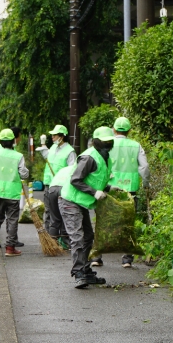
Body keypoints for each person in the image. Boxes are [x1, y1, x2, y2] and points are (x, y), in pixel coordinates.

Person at [53, 127, 124, 288]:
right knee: (77, 237)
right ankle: (78, 273)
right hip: (70, 200)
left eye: (109, 141)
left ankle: (85, 270)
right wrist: (94, 192)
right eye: (104, 141)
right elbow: (75, 180)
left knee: (88, 236)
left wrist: (108, 188)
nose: (107, 143)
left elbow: (96, 179)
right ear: (96, 142)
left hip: (82, 202)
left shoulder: (105, 158)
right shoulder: (89, 157)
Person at [90, 116, 149, 269]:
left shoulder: (108, 143)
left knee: (102, 220)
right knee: (128, 222)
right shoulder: (136, 146)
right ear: (129, 130)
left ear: (113, 129)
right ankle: (127, 259)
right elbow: (144, 167)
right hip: (129, 189)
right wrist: (146, 184)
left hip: (108, 188)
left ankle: (96, 256)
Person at [0, 128, 29, 257]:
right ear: (13, 141)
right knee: (12, 220)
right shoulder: (18, 156)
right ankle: (10, 248)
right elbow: (23, 174)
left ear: (0, 141)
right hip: (12, 192)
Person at [38, 124, 77, 247]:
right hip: (49, 185)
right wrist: (43, 147)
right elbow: (49, 158)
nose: (53, 137)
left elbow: (72, 169)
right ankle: (50, 241)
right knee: (49, 212)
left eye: (55, 135)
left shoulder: (70, 151)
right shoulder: (54, 148)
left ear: (62, 136)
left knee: (62, 212)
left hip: (62, 186)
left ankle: (64, 241)